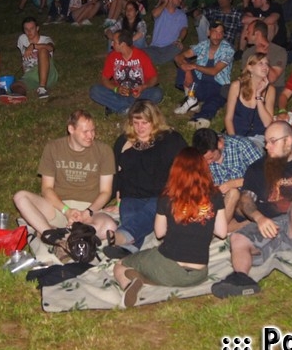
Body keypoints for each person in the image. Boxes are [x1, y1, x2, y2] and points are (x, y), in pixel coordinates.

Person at [211, 121, 292, 297]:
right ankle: (241, 278)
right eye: (266, 142)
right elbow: (246, 199)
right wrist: (259, 218)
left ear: (288, 141)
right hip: (273, 226)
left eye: (272, 141)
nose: (267, 147)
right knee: (237, 238)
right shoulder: (257, 168)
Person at [113, 147, 228, 308]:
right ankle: (142, 279)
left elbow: (159, 233)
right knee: (159, 270)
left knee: (120, 264)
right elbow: (222, 232)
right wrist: (202, 219)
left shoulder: (168, 197)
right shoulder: (215, 196)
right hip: (199, 274)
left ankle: (128, 287)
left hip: (169, 266)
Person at [12, 110, 117, 241]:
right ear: (71, 129)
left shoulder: (104, 151)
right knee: (20, 197)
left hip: (89, 211)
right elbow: (46, 189)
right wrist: (66, 211)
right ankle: (54, 236)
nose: (91, 135)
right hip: (57, 207)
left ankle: (54, 233)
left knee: (109, 227)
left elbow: (106, 192)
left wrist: (88, 212)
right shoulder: (53, 148)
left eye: (93, 130)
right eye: (85, 131)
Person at [104, 100, 187, 258]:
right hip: (132, 196)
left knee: (146, 214)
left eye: (144, 123)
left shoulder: (170, 139)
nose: (140, 127)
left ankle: (121, 236)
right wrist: (118, 201)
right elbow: (118, 175)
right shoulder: (124, 142)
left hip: (160, 195)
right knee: (132, 218)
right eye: (136, 123)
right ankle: (129, 249)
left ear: (154, 121)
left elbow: (186, 167)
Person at [192, 128, 263, 225]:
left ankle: (216, 229)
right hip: (221, 204)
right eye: (205, 160)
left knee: (233, 193)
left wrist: (233, 183)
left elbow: (263, 175)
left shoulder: (241, 145)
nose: (208, 163)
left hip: (247, 199)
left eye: (211, 158)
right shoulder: (200, 159)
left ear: (220, 145)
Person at [173, 19, 234, 129]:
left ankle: (201, 117)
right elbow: (178, 57)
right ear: (209, 33)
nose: (217, 36)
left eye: (220, 33)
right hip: (200, 82)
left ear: (223, 35)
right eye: (215, 32)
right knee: (184, 65)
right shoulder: (203, 45)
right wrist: (187, 70)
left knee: (213, 102)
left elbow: (214, 71)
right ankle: (191, 99)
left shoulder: (228, 49)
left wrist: (194, 66)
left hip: (217, 85)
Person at [89, 30, 163, 114]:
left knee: (157, 93)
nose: (112, 44)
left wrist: (143, 87)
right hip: (119, 93)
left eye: (114, 42)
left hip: (138, 94)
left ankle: (121, 108)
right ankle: (133, 108)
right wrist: (116, 89)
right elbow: (104, 78)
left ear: (123, 44)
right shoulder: (112, 56)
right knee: (95, 90)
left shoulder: (141, 56)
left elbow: (154, 77)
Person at [224, 53, 275, 146]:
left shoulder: (270, 90)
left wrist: (258, 95)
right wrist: (234, 140)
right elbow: (228, 119)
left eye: (267, 64)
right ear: (250, 68)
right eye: (260, 63)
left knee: (250, 150)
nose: (265, 67)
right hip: (236, 135)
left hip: (258, 138)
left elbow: (267, 123)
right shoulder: (237, 86)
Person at [16, 17, 57, 99]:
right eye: (26, 29)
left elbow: (51, 47)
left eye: (32, 28)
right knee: (15, 86)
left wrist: (33, 46)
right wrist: (25, 74)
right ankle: (18, 97)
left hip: (47, 73)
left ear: (37, 28)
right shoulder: (22, 39)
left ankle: (42, 88)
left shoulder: (45, 39)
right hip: (31, 75)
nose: (29, 32)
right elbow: (24, 59)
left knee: (43, 50)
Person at [144, 0, 187, 65]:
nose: (180, 0)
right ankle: (165, 59)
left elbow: (184, 29)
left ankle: (157, 59)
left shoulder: (181, 15)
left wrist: (179, 40)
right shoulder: (161, 11)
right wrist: (164, 3)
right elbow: (154, 14)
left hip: (171, 46)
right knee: (141, 51)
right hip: (155, 47)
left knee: (178, 47)